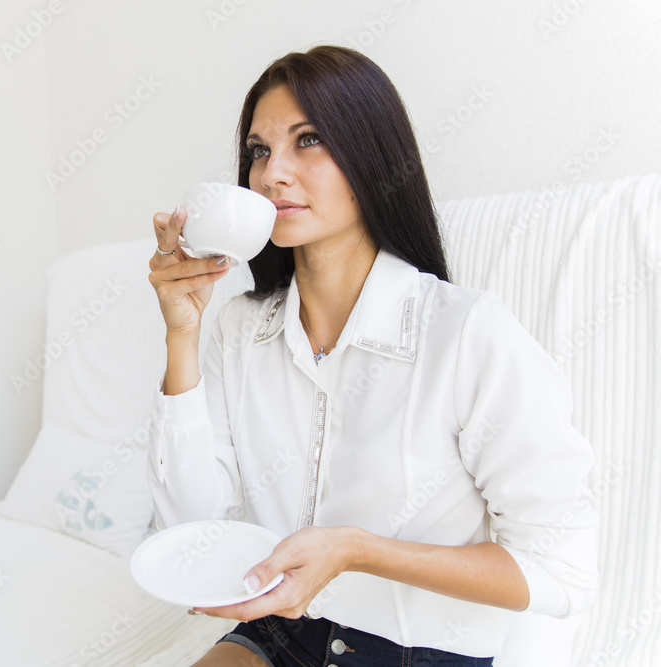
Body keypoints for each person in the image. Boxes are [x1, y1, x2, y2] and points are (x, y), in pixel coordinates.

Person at [145, 46, 598, 667]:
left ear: (372, 157)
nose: (272, 173)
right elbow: (190, 531)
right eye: (259, 150)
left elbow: (558, 571)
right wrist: (181, 335)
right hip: (287, 629)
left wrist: (356, 549)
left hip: (423, 649)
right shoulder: (238, 329)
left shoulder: (468, 333)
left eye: (308, 141)